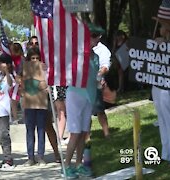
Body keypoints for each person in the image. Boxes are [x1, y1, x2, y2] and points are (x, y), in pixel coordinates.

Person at [62, 23, 101, 178]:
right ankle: (66, 166)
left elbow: (95, 77)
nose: (97, 39)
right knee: (75, 133)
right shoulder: (76, 54)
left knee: (84, 132)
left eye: (98, 36)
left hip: (89, 97)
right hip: (75, 95)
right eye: (94, 36)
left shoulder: (95, 57)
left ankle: (79, 164)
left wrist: (101, 84)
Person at [151, 0, 170, 167]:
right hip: (157, 85)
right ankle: (167, 151)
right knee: (162, 118)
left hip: (169, 86)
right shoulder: (158, 41)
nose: (160, 28)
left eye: (162, 25)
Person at [19, 47, 48, 166]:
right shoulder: (25, 69)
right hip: (29, 103)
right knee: (30, 130)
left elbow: (45, 84)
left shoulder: (44, 69)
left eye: (37, 58)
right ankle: (30, 157)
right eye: (32, 58)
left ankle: (40, 156)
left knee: (41, 129)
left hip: (41, 103)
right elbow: (21, 83)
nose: (35, 60)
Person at [91, 28, 111, 138]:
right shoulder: (82, 48)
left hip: (96, 83)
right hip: (83, 84)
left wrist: (98, 76)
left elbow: (105, 66)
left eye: (94, 35)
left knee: (99, 110)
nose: (91, 38)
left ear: (99, 37)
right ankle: (85, 136)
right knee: (84, 113)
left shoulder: (103, 50)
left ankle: (107, 134)